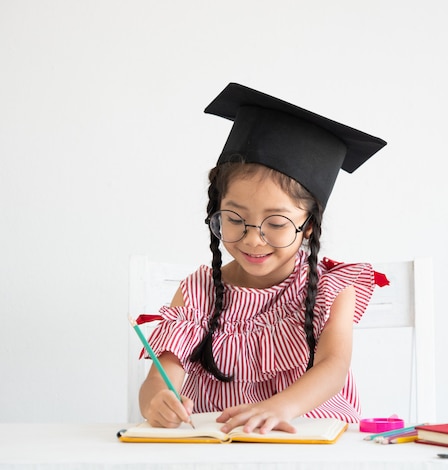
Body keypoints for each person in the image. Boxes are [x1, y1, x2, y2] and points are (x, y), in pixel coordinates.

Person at [137, 83, 388, 434]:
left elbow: (333, 367)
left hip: (310, 440)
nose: (253, 240)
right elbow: (161, 376)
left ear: (309, 226)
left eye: (276, 223)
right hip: (221, 448)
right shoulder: (198, 293)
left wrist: (278, 407)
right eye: (235, 219)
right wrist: (157, 399)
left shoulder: (333, 288)